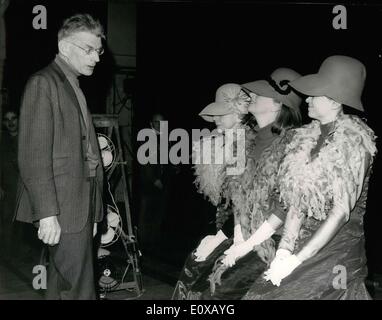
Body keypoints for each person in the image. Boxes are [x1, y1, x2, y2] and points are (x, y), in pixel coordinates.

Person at [244, 55, 377, 300]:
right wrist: (284, 249)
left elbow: (340, 212)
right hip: (305, 240)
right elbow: (297, 200)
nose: (308, 98)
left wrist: (296, 259)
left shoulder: (354, 140)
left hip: (338, 248)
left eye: (316, 94)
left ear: (336, 101)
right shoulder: (306, 138)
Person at [172, 72, 302, 300]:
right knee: (196, 282)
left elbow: (286, 205)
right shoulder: (248, 142)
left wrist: (244, 243)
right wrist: (235, 238)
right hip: (243, 230)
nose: (252, 95)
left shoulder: (290, 143)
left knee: (213, 291)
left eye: (260, 93)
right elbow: (238, 196)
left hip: (274, 238)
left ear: (277, 105)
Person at [15, 13, 105, 300]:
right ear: (66, 48)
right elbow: (34, 155)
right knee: (79, 290)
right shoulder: (44, 83)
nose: (97, 58)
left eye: (98, 50)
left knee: (61, 283)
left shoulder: (71, 83)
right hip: (62, 206)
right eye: (88, 50)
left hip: (79, 203)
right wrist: (47, 214)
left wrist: (95, 207)